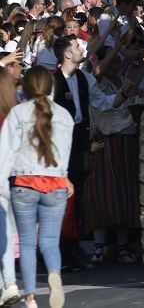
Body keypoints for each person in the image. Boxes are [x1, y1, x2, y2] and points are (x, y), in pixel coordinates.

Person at [0, 67, 73, 308]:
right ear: (51, 87)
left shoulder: (17, 113)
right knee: (50, 241)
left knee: (28, 243)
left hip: (24, 183)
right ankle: (55, 274)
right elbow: (65, 154)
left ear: (27, 87)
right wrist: (65, 177)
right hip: (56, 183)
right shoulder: (64, 115)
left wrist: (1, 185)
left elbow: (6, 153)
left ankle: (30, 298)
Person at [83, 47, 144, 265]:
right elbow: (103, 116)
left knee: (125, 197)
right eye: (113, 62)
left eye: (119, 62)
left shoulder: (125, 81)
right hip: (106, 142)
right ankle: (99, 247)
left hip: (127, 142)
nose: (118, 66)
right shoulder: (96, 87)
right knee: (102, 196)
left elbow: (136, 106)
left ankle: (122, 248)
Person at [0, 69, 20, 305]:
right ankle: (10, 283)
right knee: (6, 233)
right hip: (14, 179)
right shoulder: (16, 114)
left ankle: (8, 283)